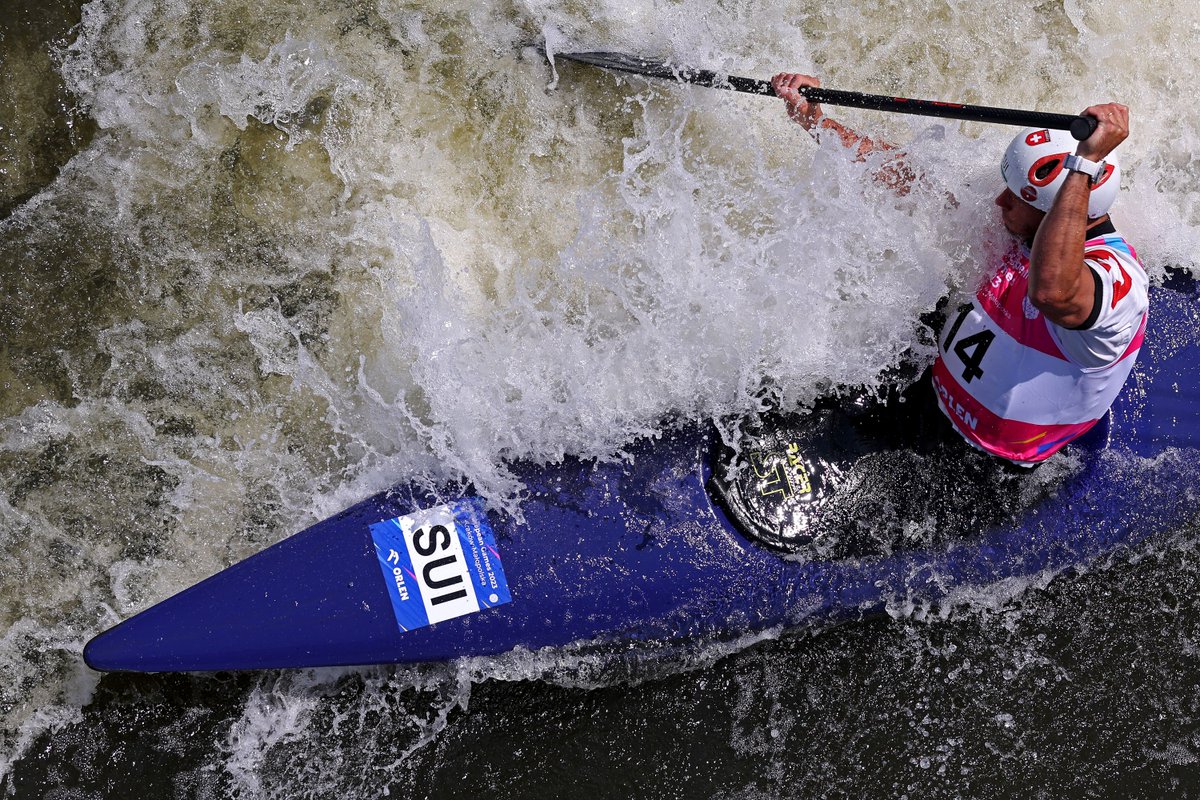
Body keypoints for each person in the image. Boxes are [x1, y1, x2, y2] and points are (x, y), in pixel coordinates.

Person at [769, 72, 1149, 467]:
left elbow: (1053, 292)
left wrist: (1084, 163)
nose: (999, 201)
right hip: (927, 391)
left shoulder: (1119, 282)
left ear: (1062, 210)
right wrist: (815, 120)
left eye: (1017, 197)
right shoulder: (1019, 224)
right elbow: (908, 177)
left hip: (983, 460)